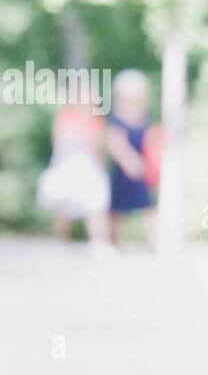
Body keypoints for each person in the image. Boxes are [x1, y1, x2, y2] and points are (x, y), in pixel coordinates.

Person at [36, 89, 110, 244]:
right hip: (69, 166)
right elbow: (59, 143)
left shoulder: (97, 119)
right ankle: (60, 242)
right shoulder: (66, 117)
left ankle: (99, 243)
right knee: (64, 208)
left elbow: (99, 147)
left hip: (90, 167)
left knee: (95, 206)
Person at [106, 68, 157, 248]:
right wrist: (129, 161)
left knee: (148, 207)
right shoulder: (117, 118)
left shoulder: (144, 117)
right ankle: (112, 244)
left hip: (141, 169)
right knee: (116, 210)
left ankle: (155, 244)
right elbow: (115, 142)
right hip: (124, 170)